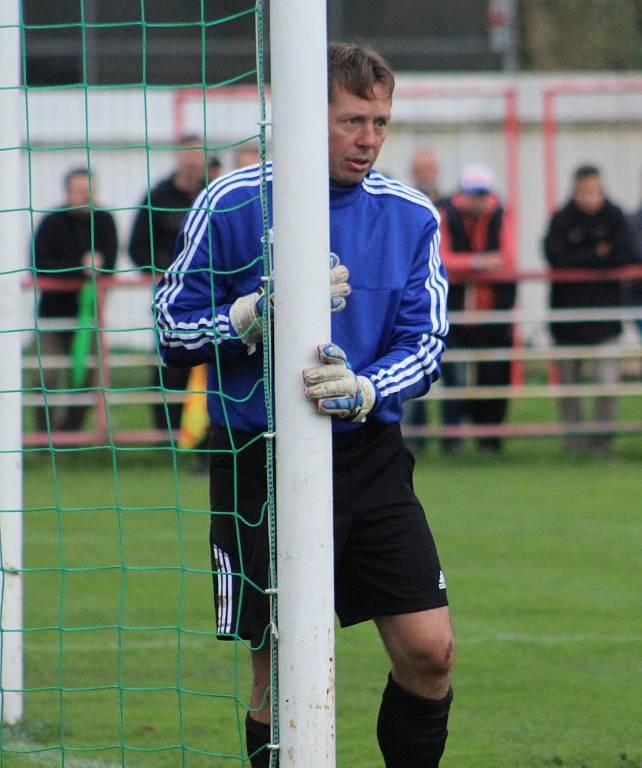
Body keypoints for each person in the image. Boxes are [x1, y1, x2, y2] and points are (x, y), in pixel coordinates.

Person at [153, 43, 453, 768]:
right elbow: (168, 326)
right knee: (276, 678)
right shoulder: (230, 202)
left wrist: (365, 388)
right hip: (262, 463)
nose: (371, 139)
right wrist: (246, 317)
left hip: (369, 457)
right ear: (302, 117)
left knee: (430, 653)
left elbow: (428, 340)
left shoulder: (410, 216)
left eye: (381, 121)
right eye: (353, 121)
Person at [544, 164, 636, 454]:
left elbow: (626, 252)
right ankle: (574, 443)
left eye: (595, 191)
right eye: (584, 191)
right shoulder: (561, 218)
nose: (590, 197)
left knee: (607, 386)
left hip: (605, 321)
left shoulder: (615, 216)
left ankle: (602, 443)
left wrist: (581, 257)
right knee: (569, 388)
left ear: (602, 190)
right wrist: (597, 254)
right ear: (575, 191)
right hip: (567, 322)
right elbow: (554, 255)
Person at [129, 134, 208, 433]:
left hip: (209, 293)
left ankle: (203, 436)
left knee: (207, 361)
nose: (192, 160)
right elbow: (137, 246)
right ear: (177, 157)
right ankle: (167, 432)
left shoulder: (214, 194)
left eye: (197, 154)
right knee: (169, 358)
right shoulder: (157, 197)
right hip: (170, 296)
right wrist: (162, 270)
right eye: (187, 154)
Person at [33, 167, 118, 432]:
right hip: (53, 315)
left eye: (89, 190)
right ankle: (44, 438)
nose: (85, 196)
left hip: (90, 316)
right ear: (67, 192)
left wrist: (97, 267)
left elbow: (111, 261)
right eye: (80, 190)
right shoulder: (51, 222)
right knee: (44, 375)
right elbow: (39, 264)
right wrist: (80, 267)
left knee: (90, 375)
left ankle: (70, 435)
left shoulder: (104, 220)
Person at [438, 164, 516, 453]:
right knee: (454, 377)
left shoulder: (500, 216)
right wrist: (478, 263)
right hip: (455, 314)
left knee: (494, 375)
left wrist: (465, 265)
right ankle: (452, 440)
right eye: (474, 194)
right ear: (462, 195)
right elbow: (443, 259)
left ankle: (490, 441)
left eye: (483, 194)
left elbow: (507, 258)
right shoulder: (447, 216)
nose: (479, 200)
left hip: (493, 313)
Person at [403, 149, 444, 450]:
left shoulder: (442, 210)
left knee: (443, 375)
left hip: (444, 311)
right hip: (415, 307)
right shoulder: (406, 208)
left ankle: (450, 440)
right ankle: (413, 437)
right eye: (420, 169)